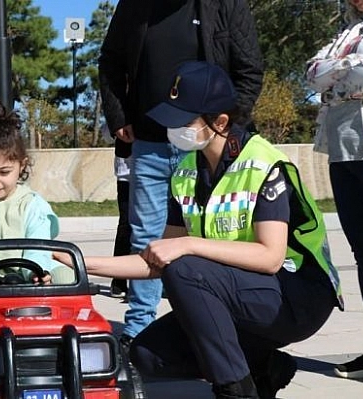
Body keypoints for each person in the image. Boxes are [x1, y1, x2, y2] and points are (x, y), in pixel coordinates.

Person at [58, 61, 343, 399]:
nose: (173, 129)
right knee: (148, 355)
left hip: (296, 296)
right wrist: (74, 260)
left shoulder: (262, 163)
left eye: (184, 121)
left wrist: (190, 245)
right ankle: (264, 368)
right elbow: (158, 259)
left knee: (186, 267)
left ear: (220, 122)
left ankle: (235, 390)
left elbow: (270, 258)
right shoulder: (187, 172)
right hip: (245, 294)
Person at [98, 0, 264, 346]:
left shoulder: (225, 5)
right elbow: (110, 60)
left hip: (208, 143)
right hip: (150, 142)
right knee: (146, 236)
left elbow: (249, 69)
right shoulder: (134, 6)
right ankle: (139, 329)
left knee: (216, 237)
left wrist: (229, 128)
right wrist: (118, 116)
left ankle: (215, 327)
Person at [306, 0, 363, 380]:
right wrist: (344, 71)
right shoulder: (350, 32)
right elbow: (312, 71)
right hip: (344, 150)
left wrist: (333, 87)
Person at [0, 98, 74, 286]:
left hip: (32, 265)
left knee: (68, 276)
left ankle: (62, 314)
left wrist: (37, 271)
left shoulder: (33, 204)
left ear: (21, 165)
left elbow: (39, 244)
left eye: (4, 172)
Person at [101, 123, 131, 297]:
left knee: (150, 226)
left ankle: (141, 283)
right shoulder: (118, 105)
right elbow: (106, 132)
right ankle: (119, 280)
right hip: (127, 170)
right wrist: (117, 127)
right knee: (126, 224)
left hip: (157, 167)